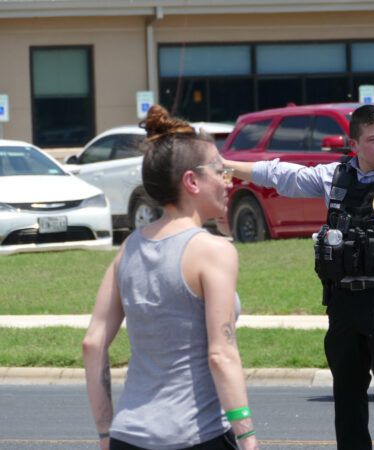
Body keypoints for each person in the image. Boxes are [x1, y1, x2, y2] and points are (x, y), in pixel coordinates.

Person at [223, 104, 374, 449]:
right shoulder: (335, 175)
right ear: (354, 143)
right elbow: (282, 175)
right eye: (373, 140)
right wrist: (229, 166)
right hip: (343, 302)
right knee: (347, 391)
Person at [82, 105, 258, 450]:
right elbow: (220, 354)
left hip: (127, 435)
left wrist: (105, 433)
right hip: (196, 435)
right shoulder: (213, 251)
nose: (228, 180)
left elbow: (93, 343)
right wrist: (247, 437)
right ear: (191, 181)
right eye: (220, 171)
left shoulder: (130, 248)